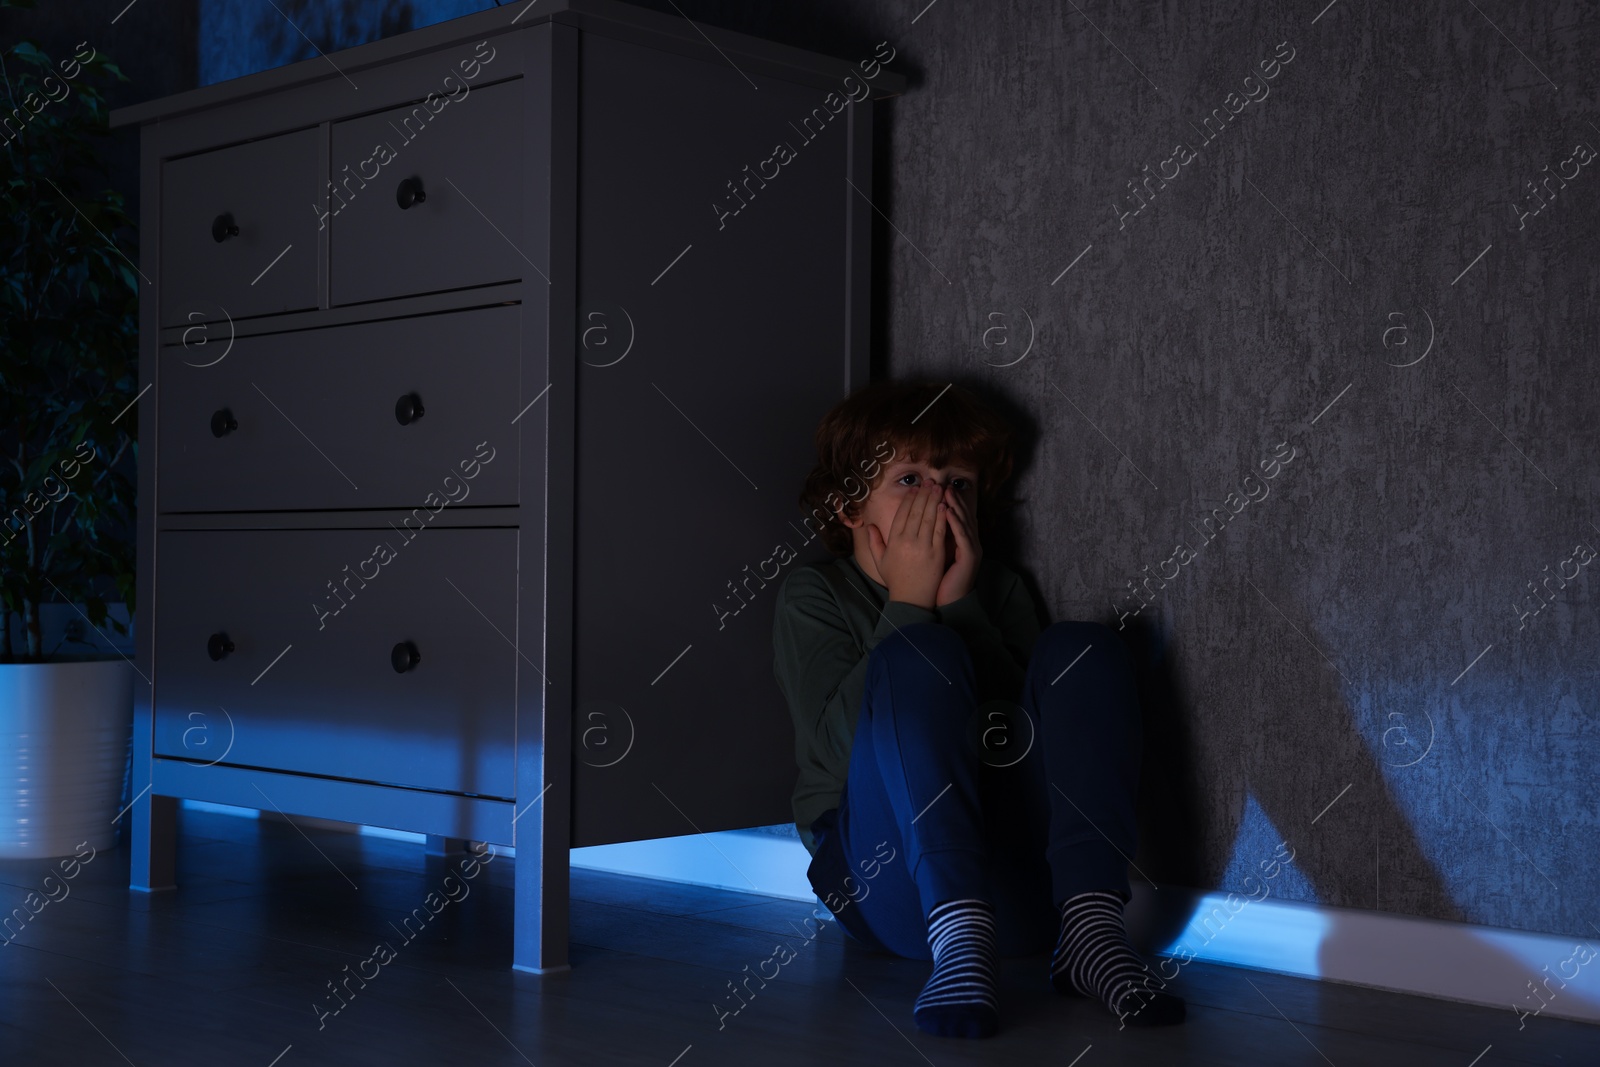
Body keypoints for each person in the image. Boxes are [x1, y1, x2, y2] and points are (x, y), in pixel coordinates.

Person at [771, 379, 1185, 1039]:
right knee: (915, 655)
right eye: (910, 479)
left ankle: (1091, 926)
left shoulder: (1001, 589)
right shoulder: (815, 595)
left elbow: (1025, 746)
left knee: (1086, 647)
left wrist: (962, 606)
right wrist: (909, 605)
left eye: (956, 484)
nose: (938, 501)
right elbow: (833, 755)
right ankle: (957, 935)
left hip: (1025, 889)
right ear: (850, 505)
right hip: (892, 892)